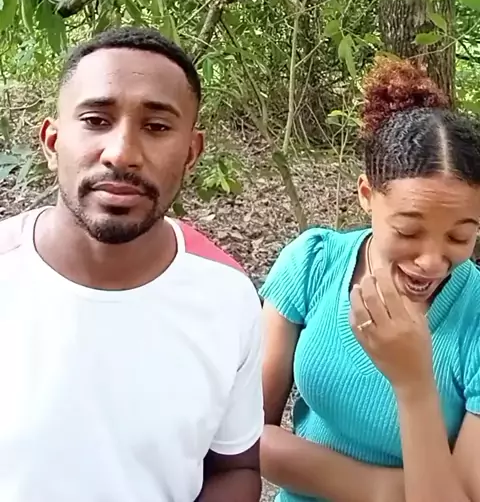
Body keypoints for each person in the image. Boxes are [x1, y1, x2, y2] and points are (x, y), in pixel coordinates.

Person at [0, 26, 263, 502]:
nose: (121, 153)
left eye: (157, 127)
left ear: (191, 153)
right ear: (52, 141)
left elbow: (235, 467)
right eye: (96, 120)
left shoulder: (227, 297)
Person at [260, 57, 480, 502]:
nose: (431, 261)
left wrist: (414, 383)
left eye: (461, 236)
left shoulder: (472, 316)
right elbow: (242, 437)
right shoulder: (313, 264)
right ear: (366, 194)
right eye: (408, 231)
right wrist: (385, 489)